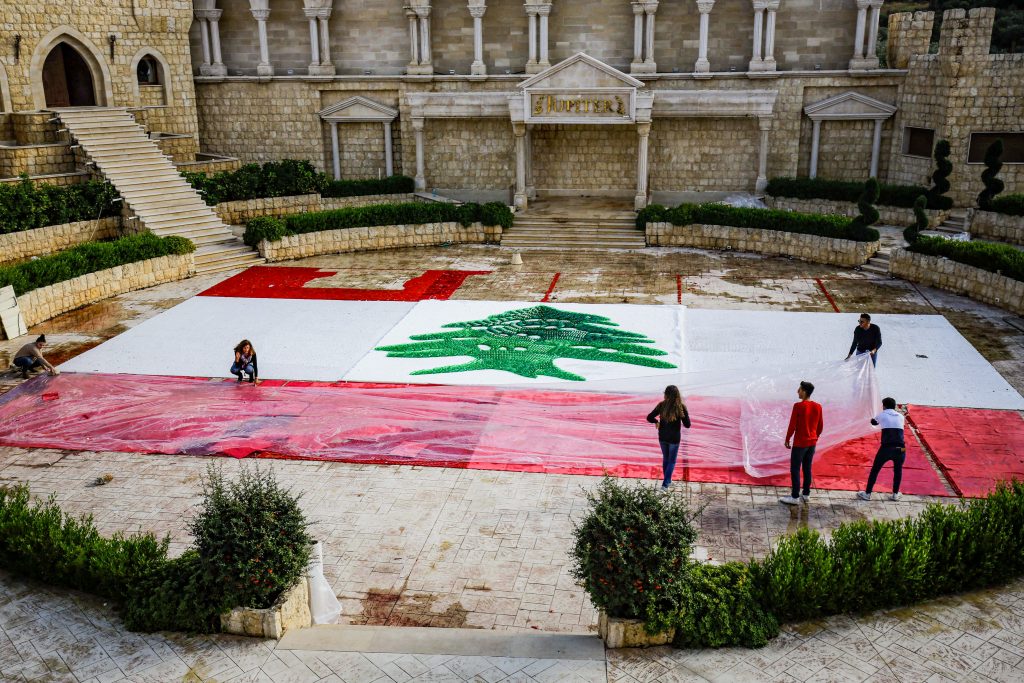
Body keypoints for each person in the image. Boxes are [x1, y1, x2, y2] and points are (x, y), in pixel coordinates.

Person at [780, 381, 823, 505]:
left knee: (795, 469)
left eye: (799, 389)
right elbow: (820, 426)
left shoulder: (798, 406)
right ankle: (806, 494)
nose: (797, 391)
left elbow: (792, 425)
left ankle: (794, 497)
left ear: (804, 391)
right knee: (807, 468)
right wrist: (815, 437)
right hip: (812, 442)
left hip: (800, 443)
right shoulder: (818, 406)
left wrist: (787, 439)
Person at [857, 397, 906, 502]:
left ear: (884, 406)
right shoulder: (901, 417)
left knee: (875, 470)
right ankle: (895, 494)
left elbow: (874, 423)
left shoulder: (882, 415)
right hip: (901, 449)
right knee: (898, 471)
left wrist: (870, 417)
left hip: (886, 448)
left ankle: (867, 493)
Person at [647, 385, 691, 491]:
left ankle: (668, 480)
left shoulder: (661, 405)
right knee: (671, 461)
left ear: (666, 394)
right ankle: (665, 485)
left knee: (666, 459)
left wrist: (656, 421)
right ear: (677, 395)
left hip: (662, 437)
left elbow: (649, 417)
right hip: (674, 439)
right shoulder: (680, 407)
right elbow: (687, 425)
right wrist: (684, 415)